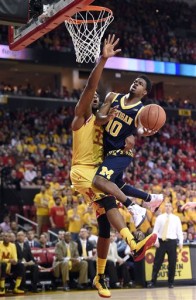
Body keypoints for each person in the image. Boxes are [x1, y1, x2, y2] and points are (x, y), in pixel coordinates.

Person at [70, 34, 157, 298]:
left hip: (99, 171)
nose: (94, 97)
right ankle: (134, 240)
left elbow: (125, 128)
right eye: (91, 98)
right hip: (83, 171)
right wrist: (103, 59)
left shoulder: (107, 124)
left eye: (98, 97)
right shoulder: (81, 119)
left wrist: (136, 136)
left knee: (104, 227)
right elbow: (89, 88)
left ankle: (100, 276)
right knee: (109, 202)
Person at [93, 74, 164, 215]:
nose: (136, 83)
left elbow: (139, 129)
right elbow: (97, 120)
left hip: (121, 152)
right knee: (117, 184)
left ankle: (133, 208)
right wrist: (107, 117)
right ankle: (151, 198)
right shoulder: (112, 97)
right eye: (135, 81)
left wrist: (143, 132)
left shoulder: (142, 111)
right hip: (108, 152)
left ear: (144, 92)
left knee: (99, 181)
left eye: (140, 84)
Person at [147, 202, 183, 288]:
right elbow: (155, 231)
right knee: (157, 263)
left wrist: (181, 242)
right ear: (164, 207)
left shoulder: (176, 218)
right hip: (161, 242)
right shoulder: (159, 218)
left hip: (172, 242)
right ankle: (153, 282)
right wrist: (155, 241)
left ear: (172, 208)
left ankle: (171, 283)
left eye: (169, 206)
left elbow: (179, 232)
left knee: (172, 263)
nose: (168, 207)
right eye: (166, 206)